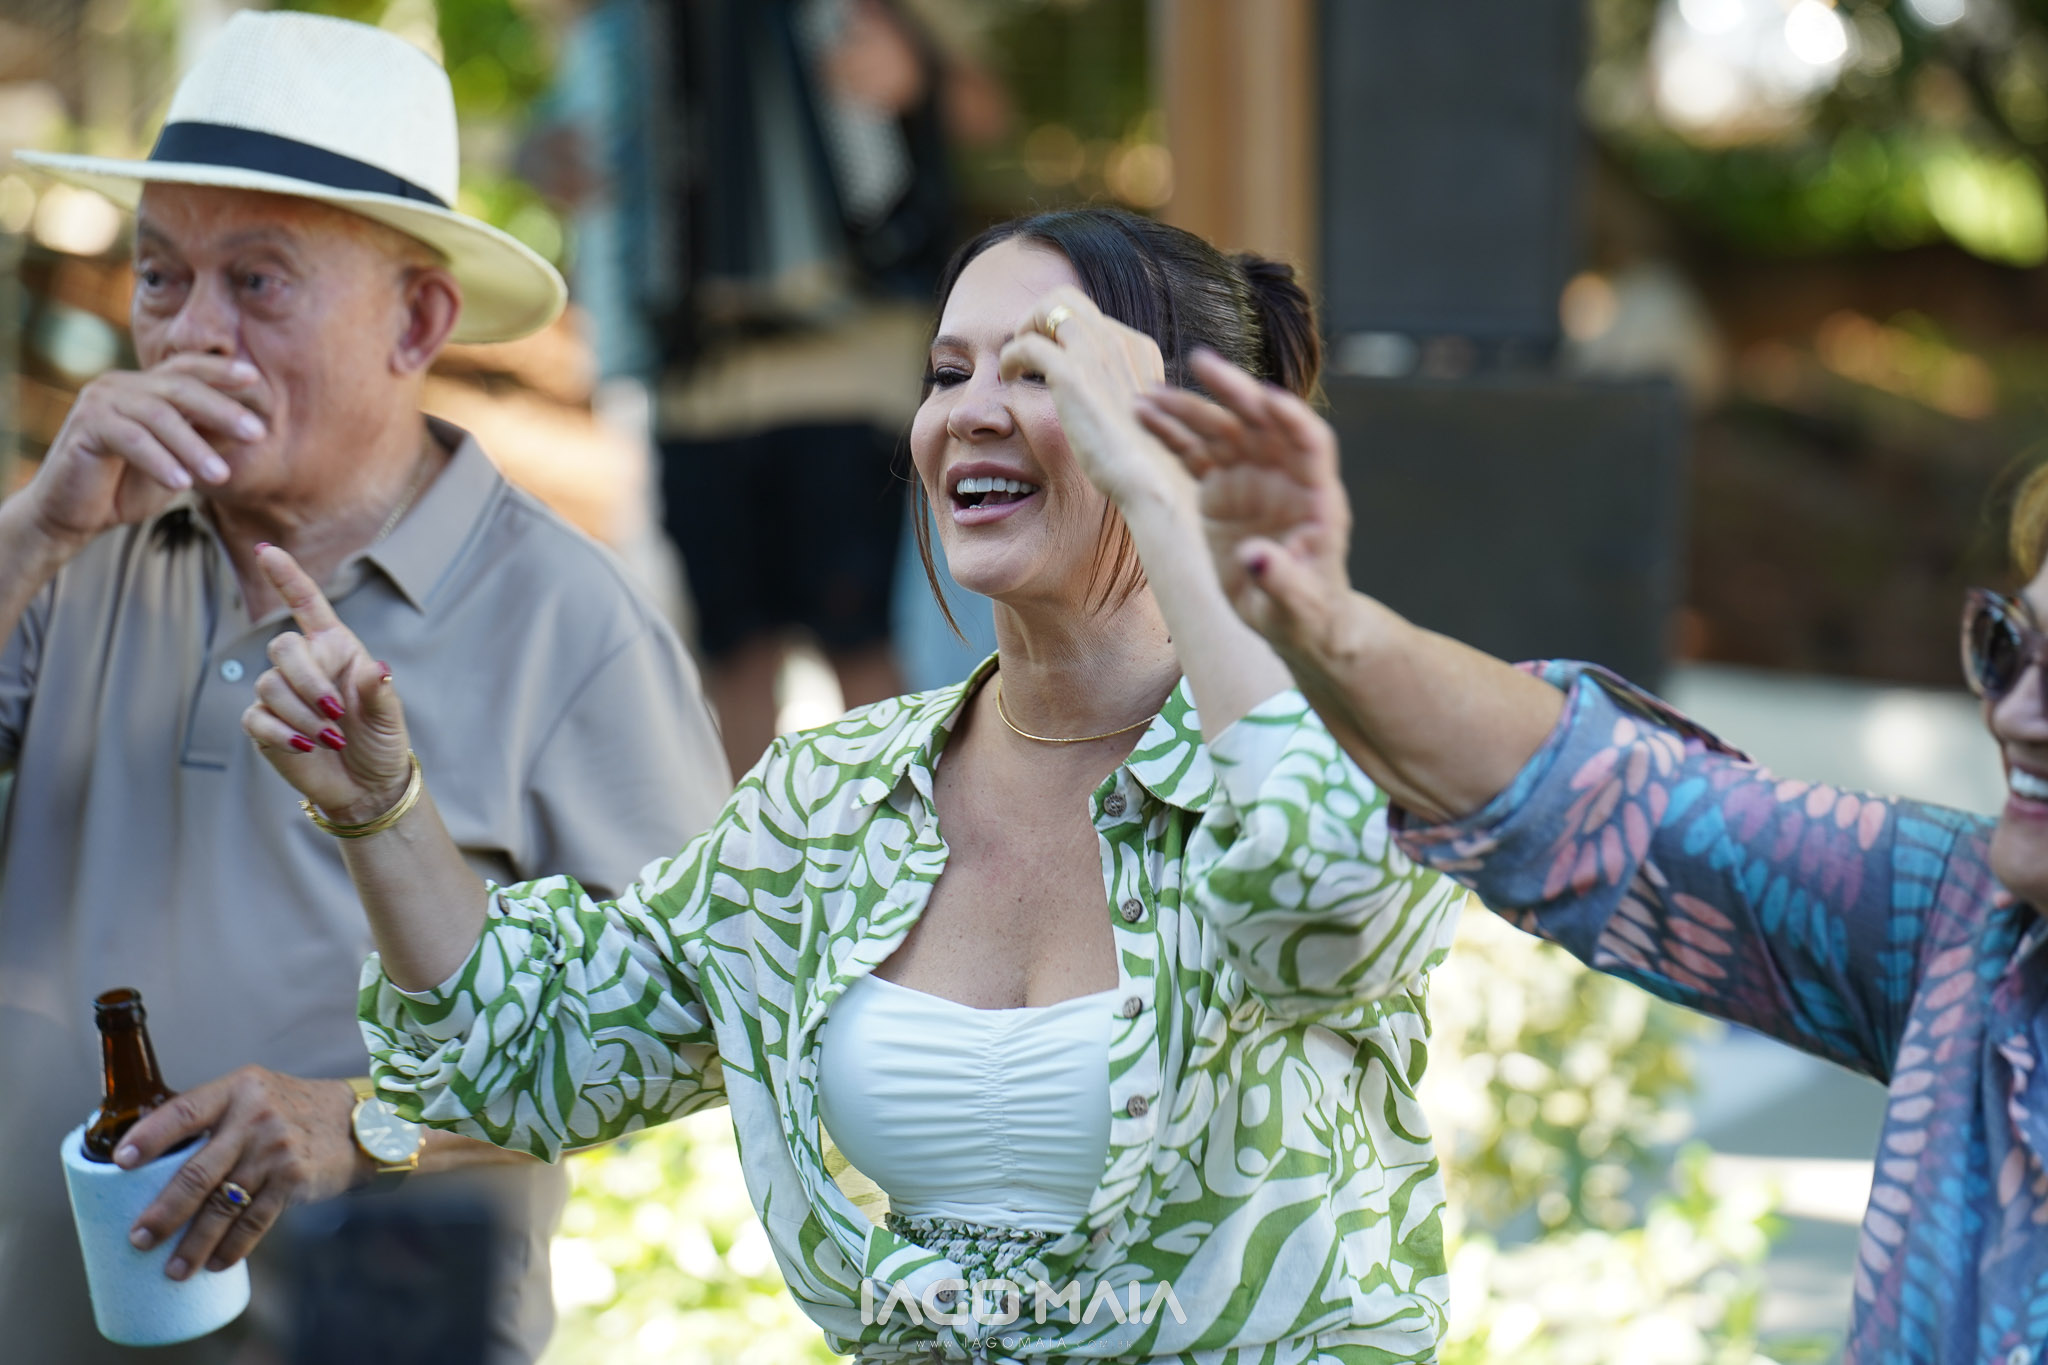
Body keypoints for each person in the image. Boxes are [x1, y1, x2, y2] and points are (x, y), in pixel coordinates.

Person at [242, 207, 1467, 1363]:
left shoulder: (1337, 743)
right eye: (945, 374)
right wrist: (378, 807)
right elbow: (523, 1054)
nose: (967, 413)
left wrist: (1164, 496)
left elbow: (1325, 910)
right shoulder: (832, 798)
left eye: (1042, 371)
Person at [1, 13, 727, 1363]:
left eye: (257, 282)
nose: (190, 335)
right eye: (161, 277)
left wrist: (363, 1122)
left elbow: (700, 1028)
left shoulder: (568, 620)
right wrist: (38, 529)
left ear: (418, 319)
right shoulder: (73, 546)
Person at [1137, 346, 2048, 1363]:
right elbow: (1587, 794)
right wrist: (1326, 619)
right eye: (2009, 647)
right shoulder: (1956, 920)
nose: (2015, 712)